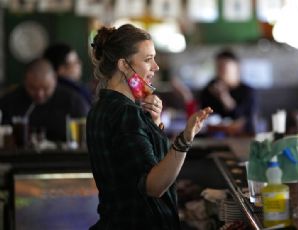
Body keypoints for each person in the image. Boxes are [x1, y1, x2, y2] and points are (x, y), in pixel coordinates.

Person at [87, 24, 212, 229]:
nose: (156, 67)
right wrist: (185, 139)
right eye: (147, 60)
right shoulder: (126, 113)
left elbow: (145, 166)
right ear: (124, 65)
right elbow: (154, 186)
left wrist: (154, 123)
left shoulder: (101, 108)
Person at [0, 58, 89, 142]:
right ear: (25, 81)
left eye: (46, 88)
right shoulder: (10, 101)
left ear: (54, 79)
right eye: (32, 88)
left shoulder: (73, 101)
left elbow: (86, 135)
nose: (39, 94)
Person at [200, 49, 257, 136]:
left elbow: (243, 119)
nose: (220, 71)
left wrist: (224, 97)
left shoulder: (247, 91)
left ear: (236, 67)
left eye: (224, 67)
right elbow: (204, 115)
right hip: (214, 138)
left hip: (242, 138)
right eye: (218, 67)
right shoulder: (210, 89)